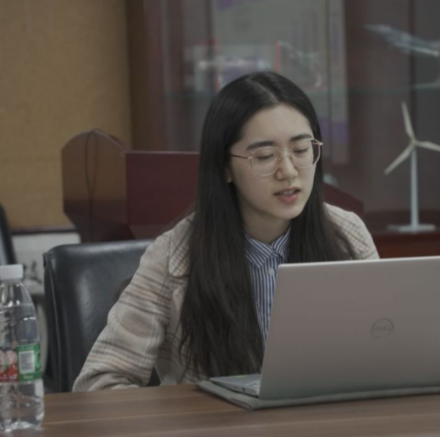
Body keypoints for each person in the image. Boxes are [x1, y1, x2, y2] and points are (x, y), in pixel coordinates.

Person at [74, 71, 378, 391]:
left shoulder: (347, 234)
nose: (288, 171)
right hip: (211, 424)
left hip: (325, 421)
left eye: (301, 150)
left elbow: (384, 351)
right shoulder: (173, 256)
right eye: (265, 156)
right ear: (224, 167)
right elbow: (98, 384)